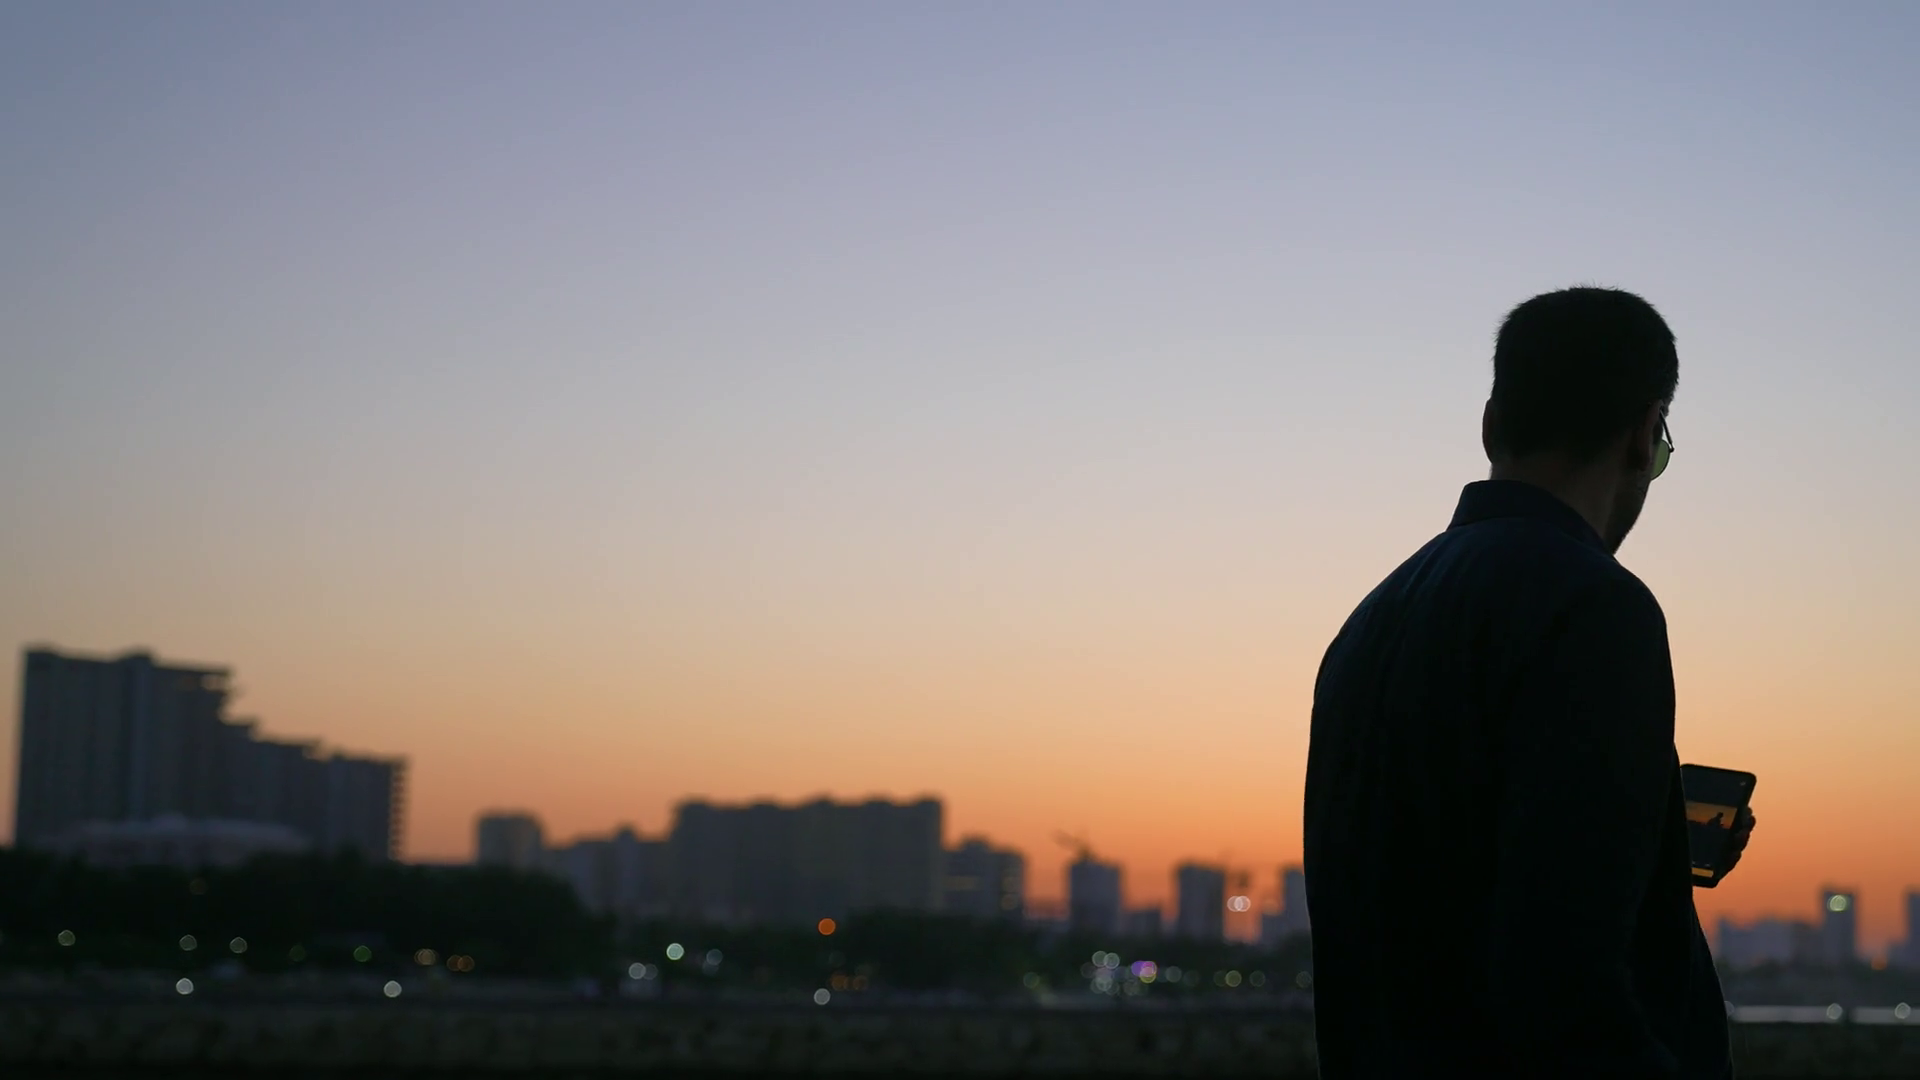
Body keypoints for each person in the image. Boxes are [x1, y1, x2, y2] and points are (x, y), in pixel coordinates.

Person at [1303, 287, 1755, 1079]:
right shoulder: (1594, 604)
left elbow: (1454, 853)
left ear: (1490, 425)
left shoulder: (1371, 620)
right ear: (1644, 435)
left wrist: (1650, 823)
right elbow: (1562, 982)